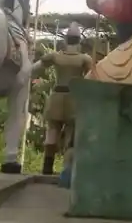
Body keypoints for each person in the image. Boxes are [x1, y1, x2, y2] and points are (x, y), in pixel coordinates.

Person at [31, 22, 92, 175]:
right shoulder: (85, 59)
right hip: (75, 98)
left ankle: (47, 167)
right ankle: (67, 170)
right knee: (71, 135)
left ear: (65, 40)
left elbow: (34, 69)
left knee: (52, 131)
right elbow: (93, 78)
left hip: (56, 97)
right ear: (79, 41)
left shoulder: (55, 56)